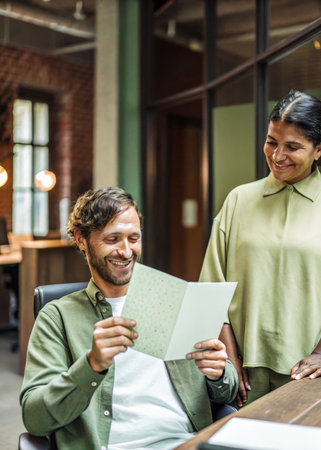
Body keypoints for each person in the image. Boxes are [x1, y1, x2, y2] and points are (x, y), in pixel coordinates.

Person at [20, 187, 238, 450]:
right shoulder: (57, 318)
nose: (126, 251)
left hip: (185, 444)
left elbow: (227, 392)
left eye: (134, 238)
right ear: (81, 239)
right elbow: (36, 419)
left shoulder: (173, 300)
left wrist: (218, 373)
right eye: (112, 239)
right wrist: (91, 365)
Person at [199, 89, 321, 408]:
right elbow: (212, 287)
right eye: (271, 141)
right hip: (243, 374)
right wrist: (230, 359)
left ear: (319, 149)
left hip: (310, 375)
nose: (277, 155)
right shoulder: (238, 199)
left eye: (293, 147)